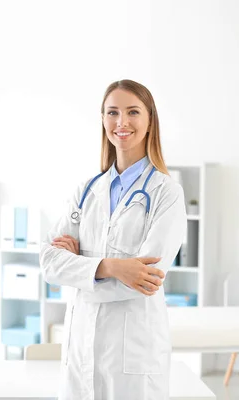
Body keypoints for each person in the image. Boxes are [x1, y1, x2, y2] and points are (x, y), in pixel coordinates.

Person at [40, 79, 186, 400]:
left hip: (133, 353)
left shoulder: (166, 193)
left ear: (150, 122)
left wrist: (79, 270)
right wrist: (111, 267)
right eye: (112, 112)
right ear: (103, 120)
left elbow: (144, 279)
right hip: (82, 348)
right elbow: (49, 264)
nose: (121, 122)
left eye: (133, 112)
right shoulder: (87, 191)